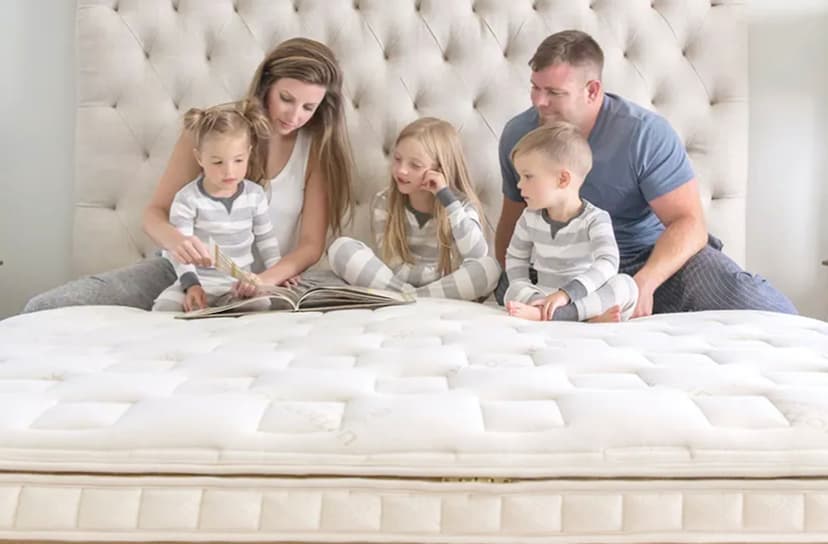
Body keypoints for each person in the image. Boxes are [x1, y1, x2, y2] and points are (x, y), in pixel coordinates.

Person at [24, 38, 353, 312]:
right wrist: (178, 242)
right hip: (180, 271)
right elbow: (155, 213)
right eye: (286, 99)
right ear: (267, 85)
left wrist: (264, 279)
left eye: (309, 107)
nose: (295, 115)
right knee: (48, 307)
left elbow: (310, 245)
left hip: (258, 280)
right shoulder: (213, 131)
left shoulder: (314, 149)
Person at [494, 30, 796, 316]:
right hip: (559, 264)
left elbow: (689, 224)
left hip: (644, 260)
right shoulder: (520, 135)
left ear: (592, 90)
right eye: (535, 87)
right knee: (507, 286)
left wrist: (645, 283)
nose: (538, 102)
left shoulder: (644, 134)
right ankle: (574, 312)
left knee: (746, 296)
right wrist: (519, 281)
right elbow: (511, 227)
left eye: (554, 92)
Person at [328, 117, 500, 300]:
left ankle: (411, 298)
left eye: (415, 165)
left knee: (489, 268)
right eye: (397, 159)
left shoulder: (459, 207)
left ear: (440, 170)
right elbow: (393, 266)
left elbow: (477, 255)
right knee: (341, 248)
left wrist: (447, 200)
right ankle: (415, 298)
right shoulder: (385, 202)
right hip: (400, 282)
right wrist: (430, 277)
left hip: (443, 284)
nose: (401, 170)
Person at [152, 100, 280, 312]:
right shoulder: (187, 199)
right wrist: (191, 285)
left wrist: (276, 271)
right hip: (197, 282)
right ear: (199, 158)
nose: (229, 172)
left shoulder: (255, 195)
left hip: (238, 284)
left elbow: (266, 240)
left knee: (262, 307)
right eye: (218, 162)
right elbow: (181, 252)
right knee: (164, 309)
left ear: (249, 153)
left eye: (238, 160)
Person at [504, 122, 637, 322]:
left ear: (563, 179)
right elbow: (515, 258)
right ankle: (580, 317)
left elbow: (608, 262)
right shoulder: (528, 218)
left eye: (528, 176)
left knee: (626, 285)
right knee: (512, 287)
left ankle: (562, 315)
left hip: (583, 295)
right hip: (542, 294)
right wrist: (530, 294)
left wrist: (567, 294)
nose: (519, 185)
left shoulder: (595, 219)